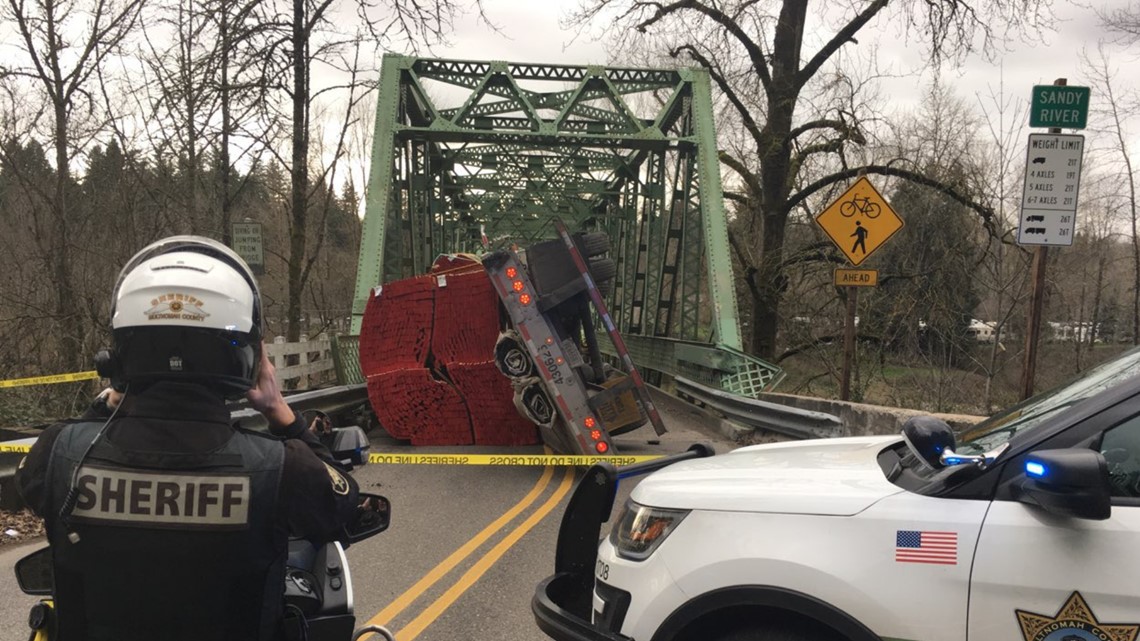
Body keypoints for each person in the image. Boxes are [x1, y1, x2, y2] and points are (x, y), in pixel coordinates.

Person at [15, 236, 361, 640]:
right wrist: (282, 415)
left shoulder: (58, 452)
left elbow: (29, 488)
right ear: (248, 360)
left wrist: (107, 402)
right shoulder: (283, 468)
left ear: (120, 354)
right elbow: (343, 511)